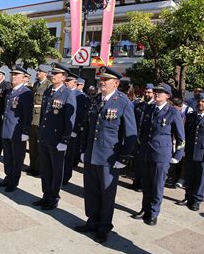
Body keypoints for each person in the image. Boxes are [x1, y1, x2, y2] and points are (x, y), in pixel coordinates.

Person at [74, 66, 137, 243]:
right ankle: (92, 221)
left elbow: (130, 133)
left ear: (116, 83)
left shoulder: (123, 102)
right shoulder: (95, 101)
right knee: (91, 191)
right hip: (92, 155)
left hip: (109, 158)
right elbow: (87, 128)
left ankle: (104, 227)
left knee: (107, 195)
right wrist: (83, 150)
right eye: (101, 79)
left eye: (106, 80)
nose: (102, 82)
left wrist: (123, 158)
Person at [132, 83, 185, 226]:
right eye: (155, 92)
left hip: (161, 153)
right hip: (146, 152)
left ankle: (154, 213)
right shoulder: (149, 108)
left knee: (157, 185)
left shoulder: (172, 112)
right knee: (146, 183)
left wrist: (178, 154)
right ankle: (145, 209)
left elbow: (180, 136)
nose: (156, 94)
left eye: (160, 92)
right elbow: (143, 129)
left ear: (167, 96)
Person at [32, 62, 76, 211]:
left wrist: (65, 139)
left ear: (63, 77)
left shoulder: (68, 93)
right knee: (45, 169)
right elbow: (45, 115)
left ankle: (53, 197)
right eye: (52, 73)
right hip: (45, 136)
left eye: (56, 73)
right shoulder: (48, 91)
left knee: (56, 170)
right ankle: (45, 195)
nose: (52, 75)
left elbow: (70, 120)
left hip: (57, 140)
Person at [175, 93, 204, 211]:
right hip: (190, 151)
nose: (200, 103)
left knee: (200, 178)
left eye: (203, 101)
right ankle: (187, 197)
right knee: (188, 175)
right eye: (199, 101)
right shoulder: (191, 116)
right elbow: (185, 133)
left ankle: (196, 200)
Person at [0, 66, 33, 192]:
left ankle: (14, 181)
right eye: (12, 74)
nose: (13, 76)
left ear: (24, 78)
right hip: (7, 128)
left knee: (17, 157)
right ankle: (8, 176)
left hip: (17, 131)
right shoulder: (10, 91)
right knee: (7, 156)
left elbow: (28, 114)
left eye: (17, 75)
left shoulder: (26, 93)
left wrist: (25, 131)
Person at [26, 64, 52, 177]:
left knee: (39, 144)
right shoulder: (36, 84)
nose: (37, 73)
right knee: (32, 144)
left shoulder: (48, 85)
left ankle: (39, 168)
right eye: (38, 71)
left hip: (40, 117)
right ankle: (32, 166)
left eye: (40, 72)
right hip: (33, 116)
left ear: (45, 73)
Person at [63, 73, 88, 185]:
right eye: (66, 81)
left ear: (74, 83)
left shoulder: (80, 96)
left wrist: (75, 130)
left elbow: (80, 113)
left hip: (72, 129)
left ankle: (65, 177)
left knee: (68, 155)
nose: (66, 83)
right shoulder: (64, 92)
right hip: (62, 129)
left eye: (68, 81)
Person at [131, 83, 155, 191]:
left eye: (149, 92)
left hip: (147, 139)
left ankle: (142, 183)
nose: (147, 94)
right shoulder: (139, 105)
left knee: (144, 163)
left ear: (153, 93)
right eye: (145, 92)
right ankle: (136, 181)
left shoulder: (154, 107)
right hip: (136, 137)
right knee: (137, 161)